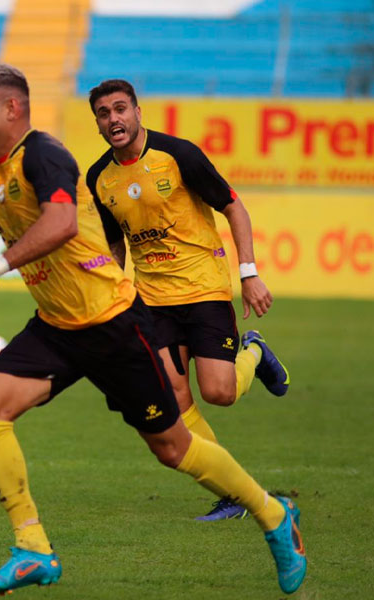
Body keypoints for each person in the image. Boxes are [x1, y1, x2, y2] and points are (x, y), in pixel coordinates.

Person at [0, 63, 306, 595]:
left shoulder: (44, 156)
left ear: (11, 109)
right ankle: (33, 549)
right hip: (57, 327)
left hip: (113, 324)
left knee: (173, 448)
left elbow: (62, 222)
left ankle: (273, 516)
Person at [85, 79, 292, 521]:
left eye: (120, 109)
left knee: (218, 392)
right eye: (104, 114)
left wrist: (249, 274)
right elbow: (114, 244)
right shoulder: (99, 177)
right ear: (98, 125)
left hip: (203, 287)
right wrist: (109, 295)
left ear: (138, 112)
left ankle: (254, 351)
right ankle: (233, 493)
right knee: (176, 401)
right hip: (153, 299)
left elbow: (233, 206)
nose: (113, 119)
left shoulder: (179, 155)